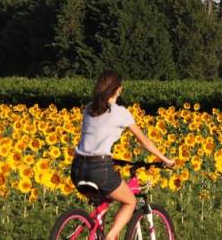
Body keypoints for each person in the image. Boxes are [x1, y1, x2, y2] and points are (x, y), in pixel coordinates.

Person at [70, 71, 175, 240]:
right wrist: (166, 160)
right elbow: (144, 141)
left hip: (77, 168)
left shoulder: (89, 108)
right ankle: (110, 237)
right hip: (99, 168)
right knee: (130, 201)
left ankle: (97, 232)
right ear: (119, 89)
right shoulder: (120, 113)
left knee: (103, 202)